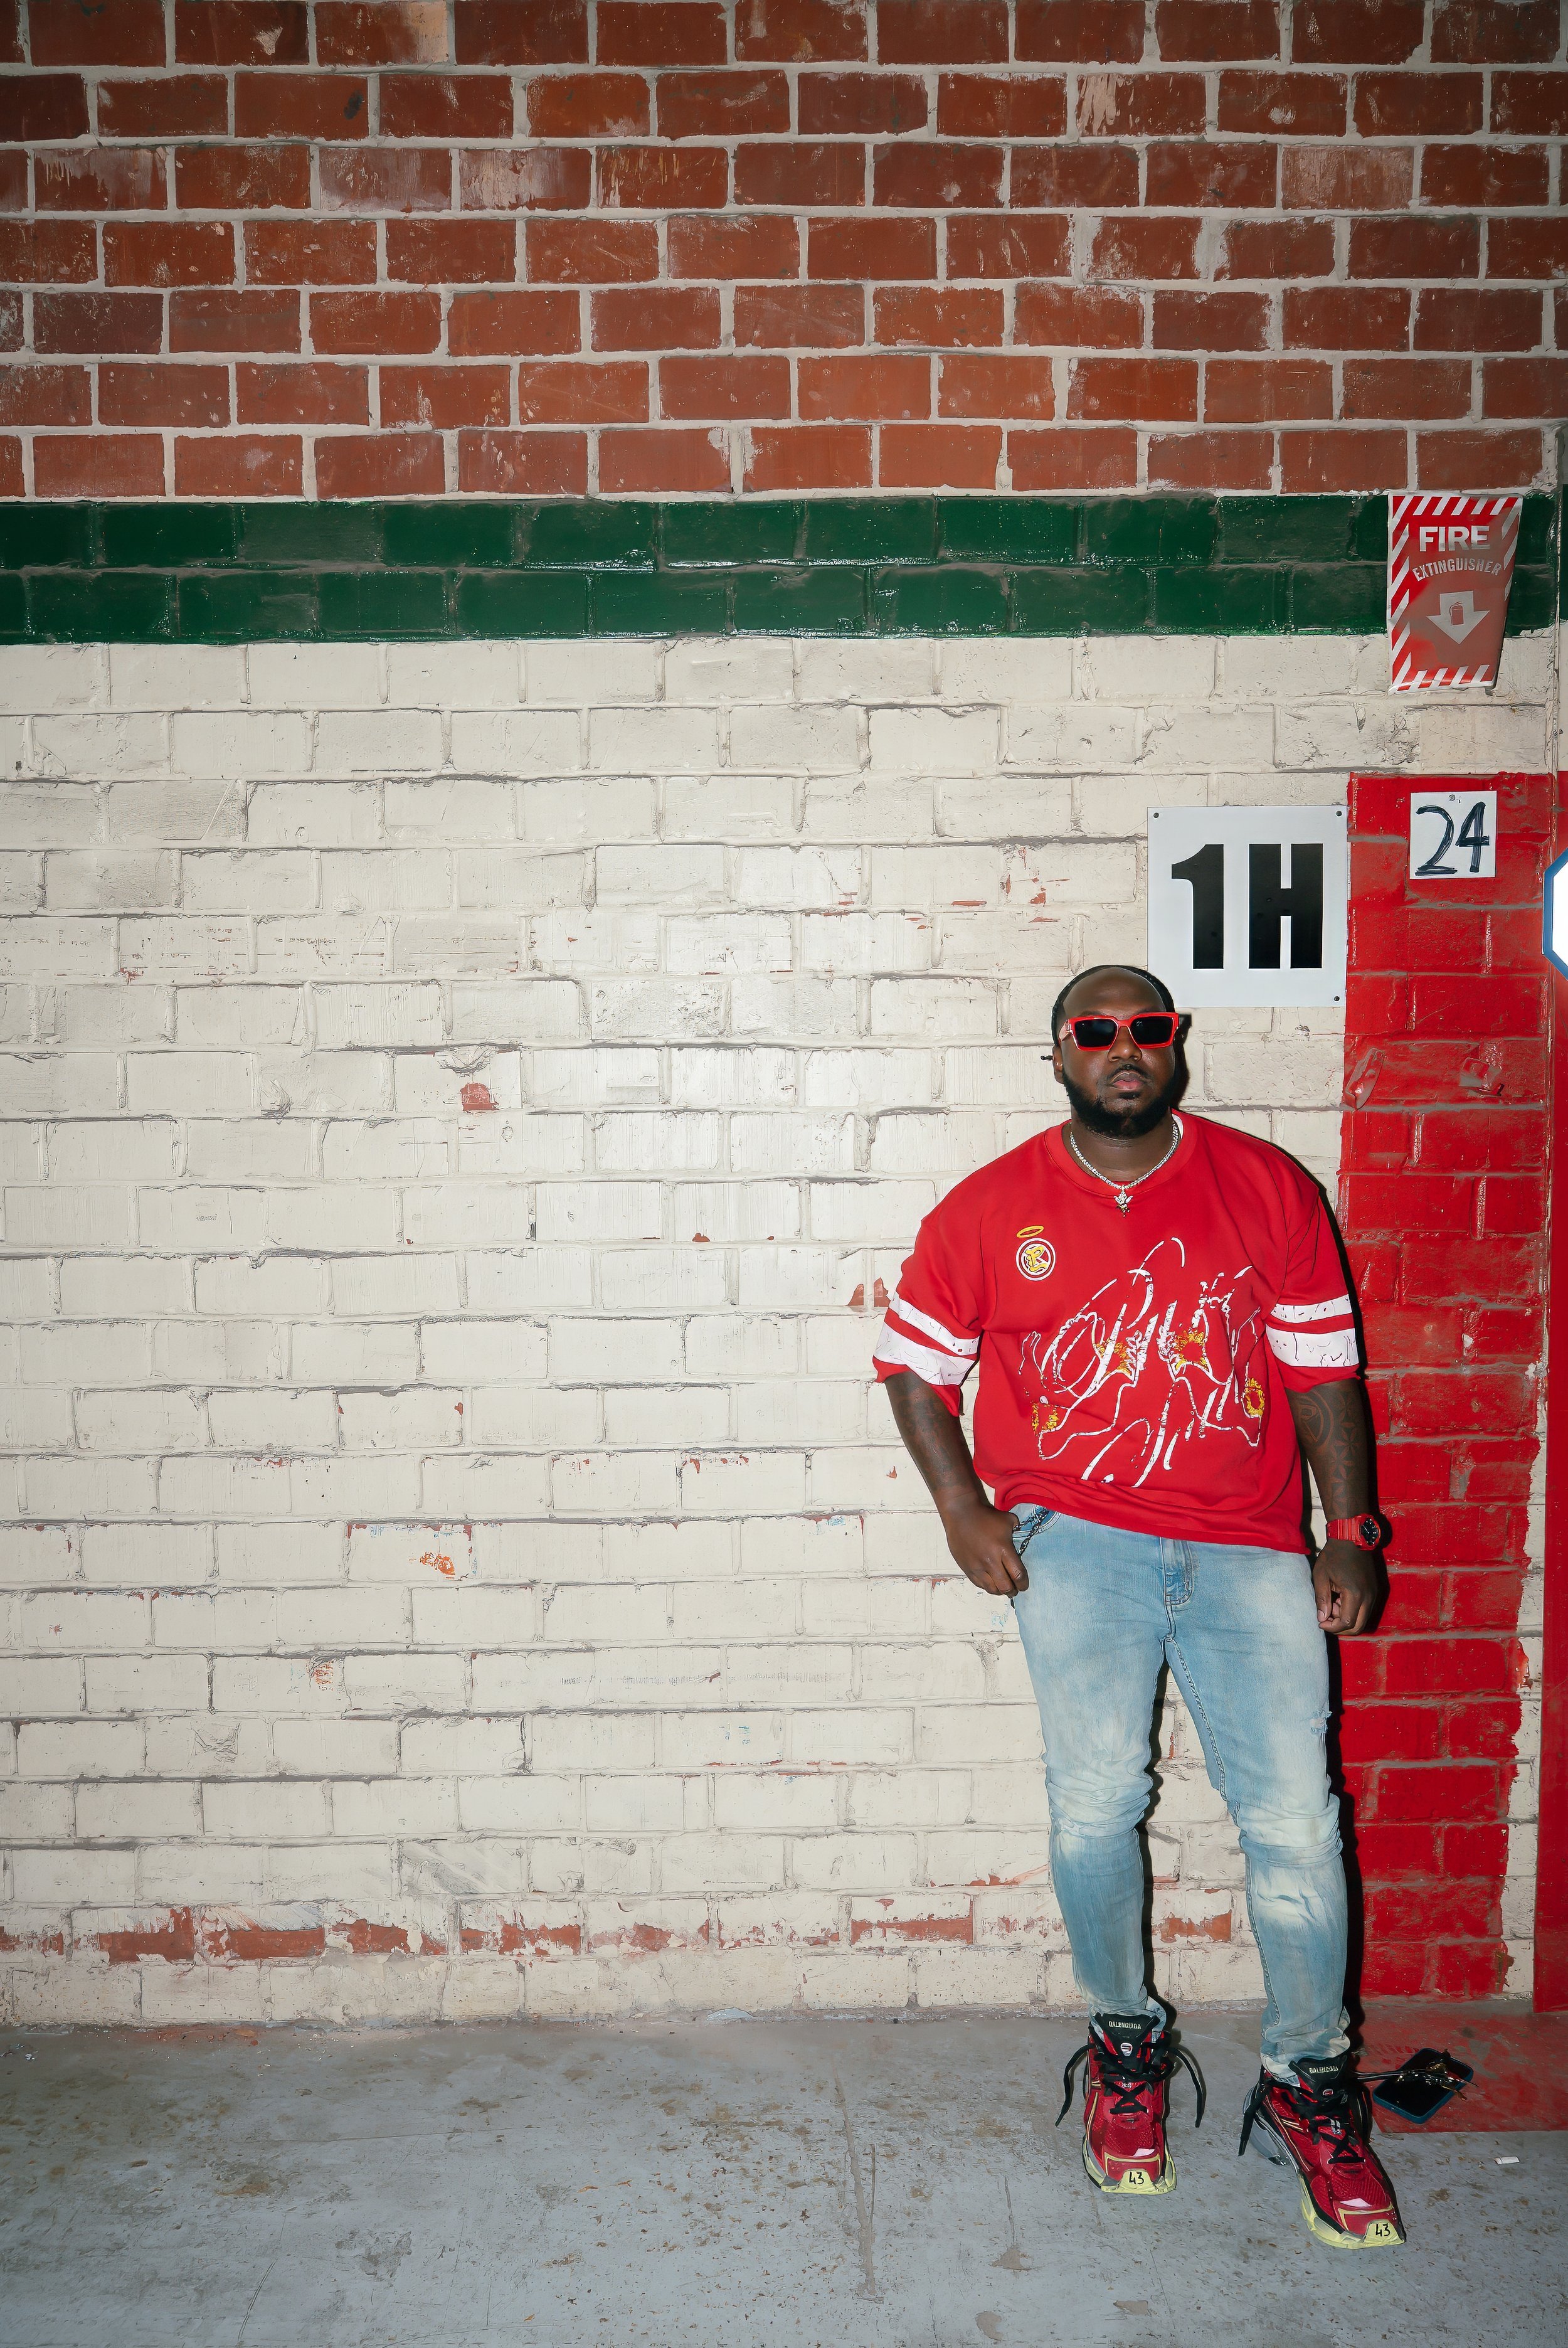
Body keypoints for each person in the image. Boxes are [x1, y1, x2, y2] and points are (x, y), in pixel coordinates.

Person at [875, 962, 1404, 2251]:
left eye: (1144, 1028)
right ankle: (1125, 2050)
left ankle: (1307, 2083)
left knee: (1291, 1821)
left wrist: (1347, 1531)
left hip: (1243, 1548)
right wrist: (960, 1507)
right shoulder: (993, 1205)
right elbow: (911, 1363)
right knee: (1096, 1806)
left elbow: (1320, 1366)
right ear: (1058, 1053)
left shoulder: (1265, 1186)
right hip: (1077, 1548)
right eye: (1094, 1030)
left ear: (1173, 1047)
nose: (1122, 1048)